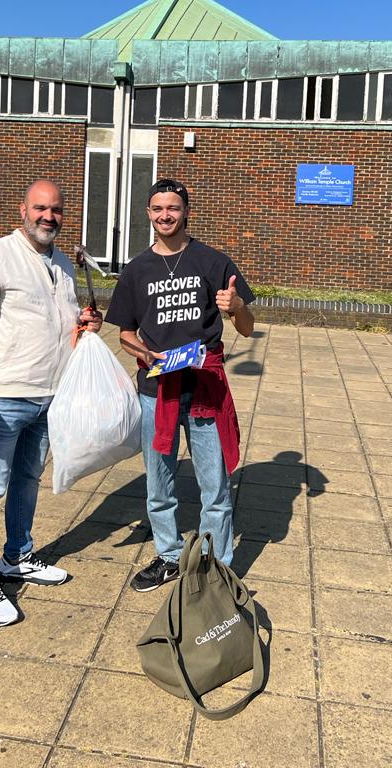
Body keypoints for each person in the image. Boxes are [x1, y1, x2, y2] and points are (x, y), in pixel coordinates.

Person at [0, 178, 102, 625]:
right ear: (23, 210)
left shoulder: (62, 264)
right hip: (2, 397)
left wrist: (84, 324)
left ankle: (17, 556)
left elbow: (59, 321)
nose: (47, 217)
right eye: (40, 208)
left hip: (49, 395)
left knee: (27, 481)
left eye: (55, 210)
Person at [105, 178, 255, 592]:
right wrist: (141, 351)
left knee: (216, 485)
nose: (165, 215)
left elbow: (247, 327)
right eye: (157, 209)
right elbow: (125, 333)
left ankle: (217, 566)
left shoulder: (213, 262)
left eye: (173, 208)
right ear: (148, 214)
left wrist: (237, 307)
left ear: (186, 211)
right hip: (157, 391)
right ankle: (168, 557)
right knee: (159, 484)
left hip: (205, 387)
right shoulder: (136, 270)